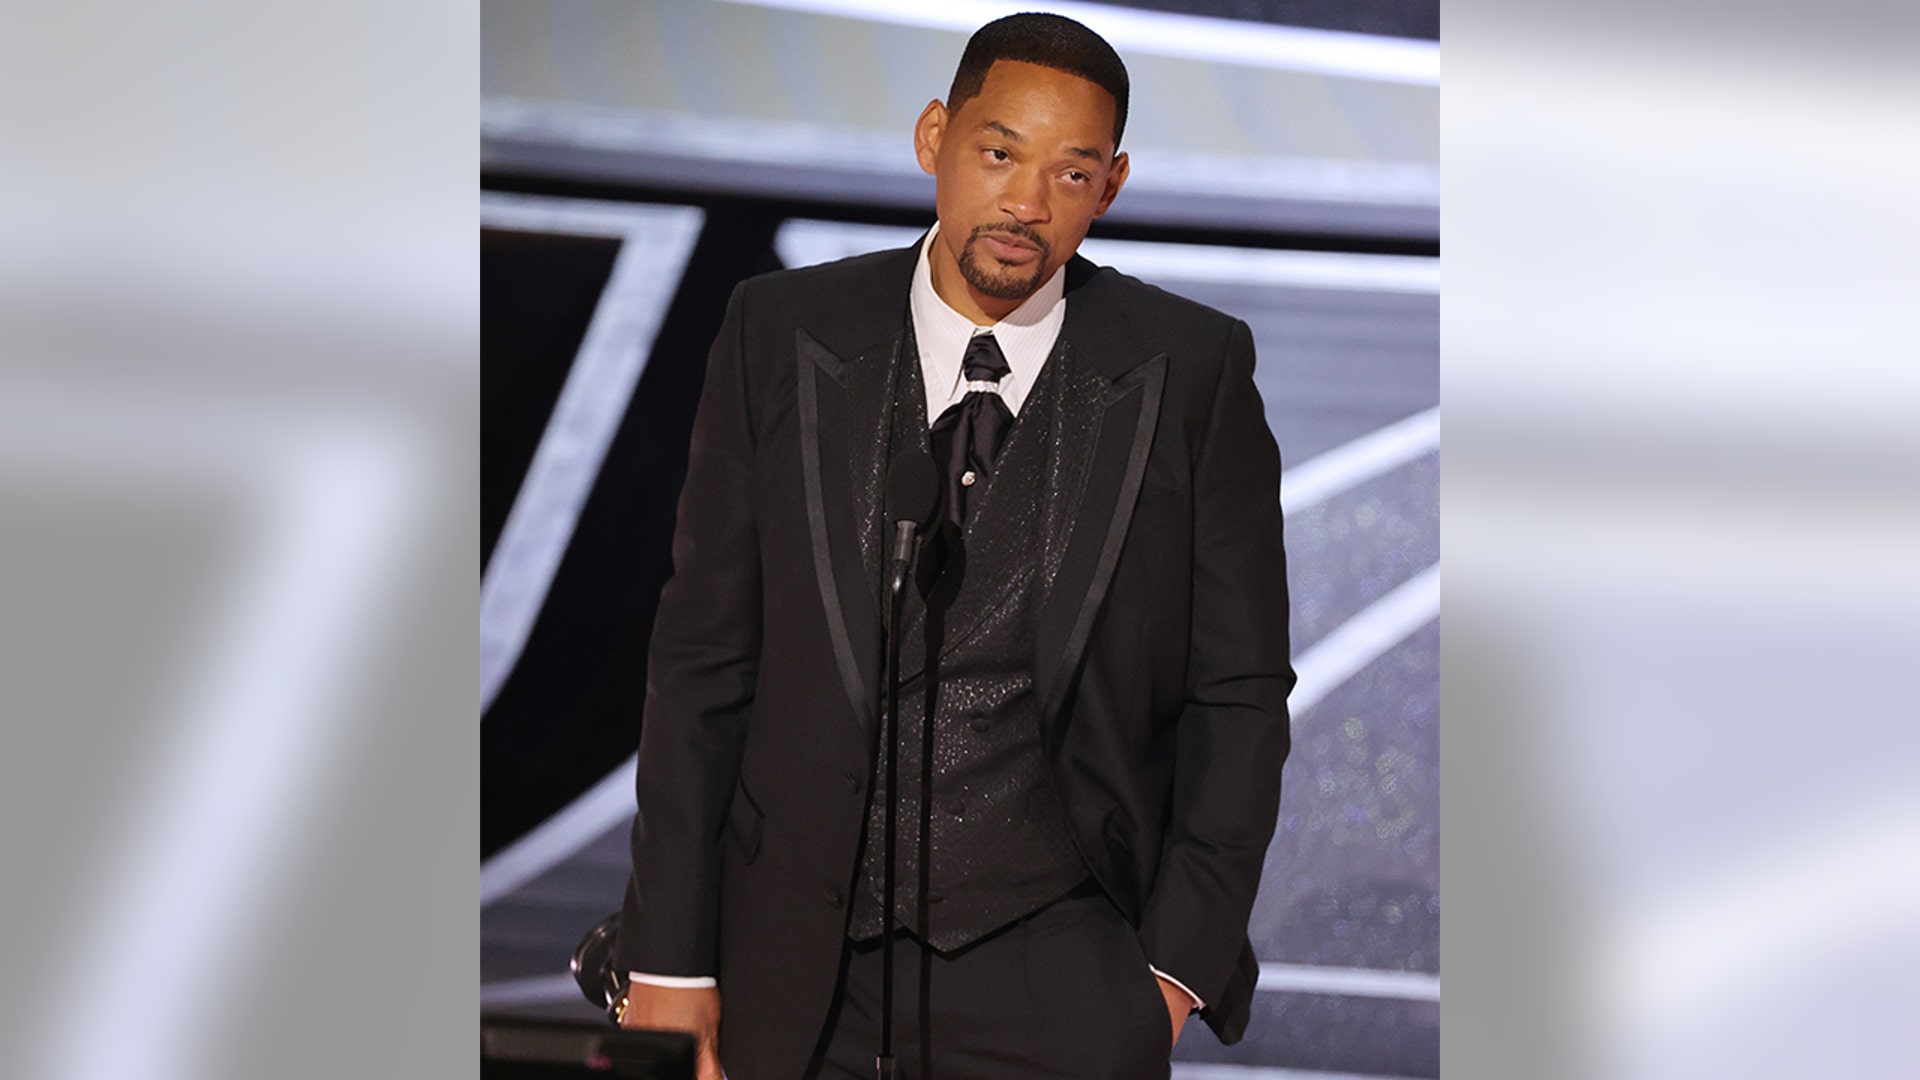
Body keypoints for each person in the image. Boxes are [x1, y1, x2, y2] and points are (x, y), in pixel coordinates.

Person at [612, 13, 1292, 1080]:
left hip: (1070, 978)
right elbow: (702, 663)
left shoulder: (1191, 369)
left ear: (1109, 189)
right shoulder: (779, 331)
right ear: (934, 135)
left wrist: (1170, 977)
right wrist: (672, 961)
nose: (1027, 203)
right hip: (792, 965)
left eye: (1071, 174)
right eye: (999, 153)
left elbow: (1241, 691)